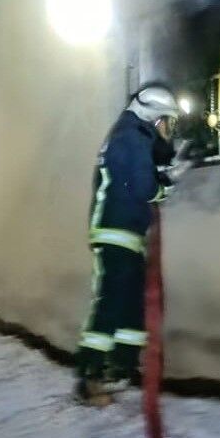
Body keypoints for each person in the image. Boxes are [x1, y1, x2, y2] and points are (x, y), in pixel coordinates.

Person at [75, 83, 191, 406]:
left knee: (130, 303)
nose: (169, 129)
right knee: (112, 303)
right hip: (116, 231)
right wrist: (167, 182)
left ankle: (120, 367)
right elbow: (142, 187)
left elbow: (139, 176)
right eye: (167, 122)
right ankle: (90, 375)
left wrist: (166, 168)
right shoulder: (132, 138)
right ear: (154, 118)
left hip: (124, 232)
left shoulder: (130, 136)